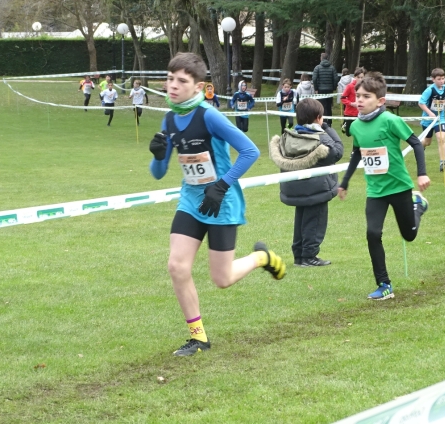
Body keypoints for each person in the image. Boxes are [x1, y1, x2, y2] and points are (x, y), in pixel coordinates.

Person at [148, 52, 286, 357]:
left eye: (181, 81)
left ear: (198, 87)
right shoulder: (169, 119)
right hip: (190, 201)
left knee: (221, 279)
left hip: (221, 203)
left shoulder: (209, 115)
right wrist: (158, 156)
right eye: (170, 79)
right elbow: (158, 173)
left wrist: (222, 185)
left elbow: (250, 152)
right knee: (177, 266)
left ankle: (262, 258)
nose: (173, 86)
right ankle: (198, 338)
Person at [337, 72, 430, 300]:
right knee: (372, 233)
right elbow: (357, 154)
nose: (359, 100)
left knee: (409, 236)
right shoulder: (356, 126)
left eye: (365, 96)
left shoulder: (390, 120)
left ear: (380, 100)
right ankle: (384, 284)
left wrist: (422, 174)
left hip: (399, 187)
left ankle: (418, 206)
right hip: (375, 191)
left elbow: (416, 144)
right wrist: (345, 182)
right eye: (357, 96)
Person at [269, 98, 343, 267]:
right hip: (316, 189)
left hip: (295, 188)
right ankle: (309, 256)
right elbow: (337, 151)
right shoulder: (319, 139)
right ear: (318, 117)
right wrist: (327, 128)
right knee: (315, 222)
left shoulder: (289, 136)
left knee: (301, 220)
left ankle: (299, 255)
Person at [418, 68, 445, 173]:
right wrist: (430, 113)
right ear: (433, 79)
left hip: (440, 118)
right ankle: (419, 146)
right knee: (427, 142)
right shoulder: (429, 90)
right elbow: (421, 103)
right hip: (428, 119)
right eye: (439, 79)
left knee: (441, 138)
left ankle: (443, 162)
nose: (441, 81)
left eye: (443, 78)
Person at [312, 53, 338, 126]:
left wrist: (316, 88)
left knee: (321, 106)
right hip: (329, 89)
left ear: (321, 58)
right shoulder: (332, 68)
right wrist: (333, 87)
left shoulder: (317, 67)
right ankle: (329, 122)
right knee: (329, 106)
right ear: (327, 58)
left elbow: (314, 78)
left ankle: (322, 122)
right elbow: (336, 79)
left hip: (320, 89)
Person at [339, 67, 365, 137]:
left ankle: (357, 146)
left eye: (362, 77)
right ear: (354, 77)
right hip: (350, 113)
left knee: (358, 133)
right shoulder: (350, 86)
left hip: (360, 113)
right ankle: (344, 125)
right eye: (358, 77)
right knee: (348, 133)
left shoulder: (365, 87)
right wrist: (351, 103)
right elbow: (343, 98)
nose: (360, 79)